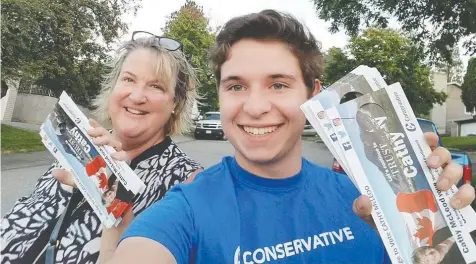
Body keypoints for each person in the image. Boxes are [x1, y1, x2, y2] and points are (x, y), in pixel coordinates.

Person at [104, 10, 475, 264]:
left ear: (313, 96)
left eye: (278, 84)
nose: (255, 106)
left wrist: (440, 237)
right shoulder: (186, 208)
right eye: (236, 86)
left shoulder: (368, 203)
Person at [0, 31, 203, 264]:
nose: (136, 96)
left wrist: (116, 196)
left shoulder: (187, 182)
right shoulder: (80, 146)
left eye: (156, 86)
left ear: (176, 103)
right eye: (128, 79)